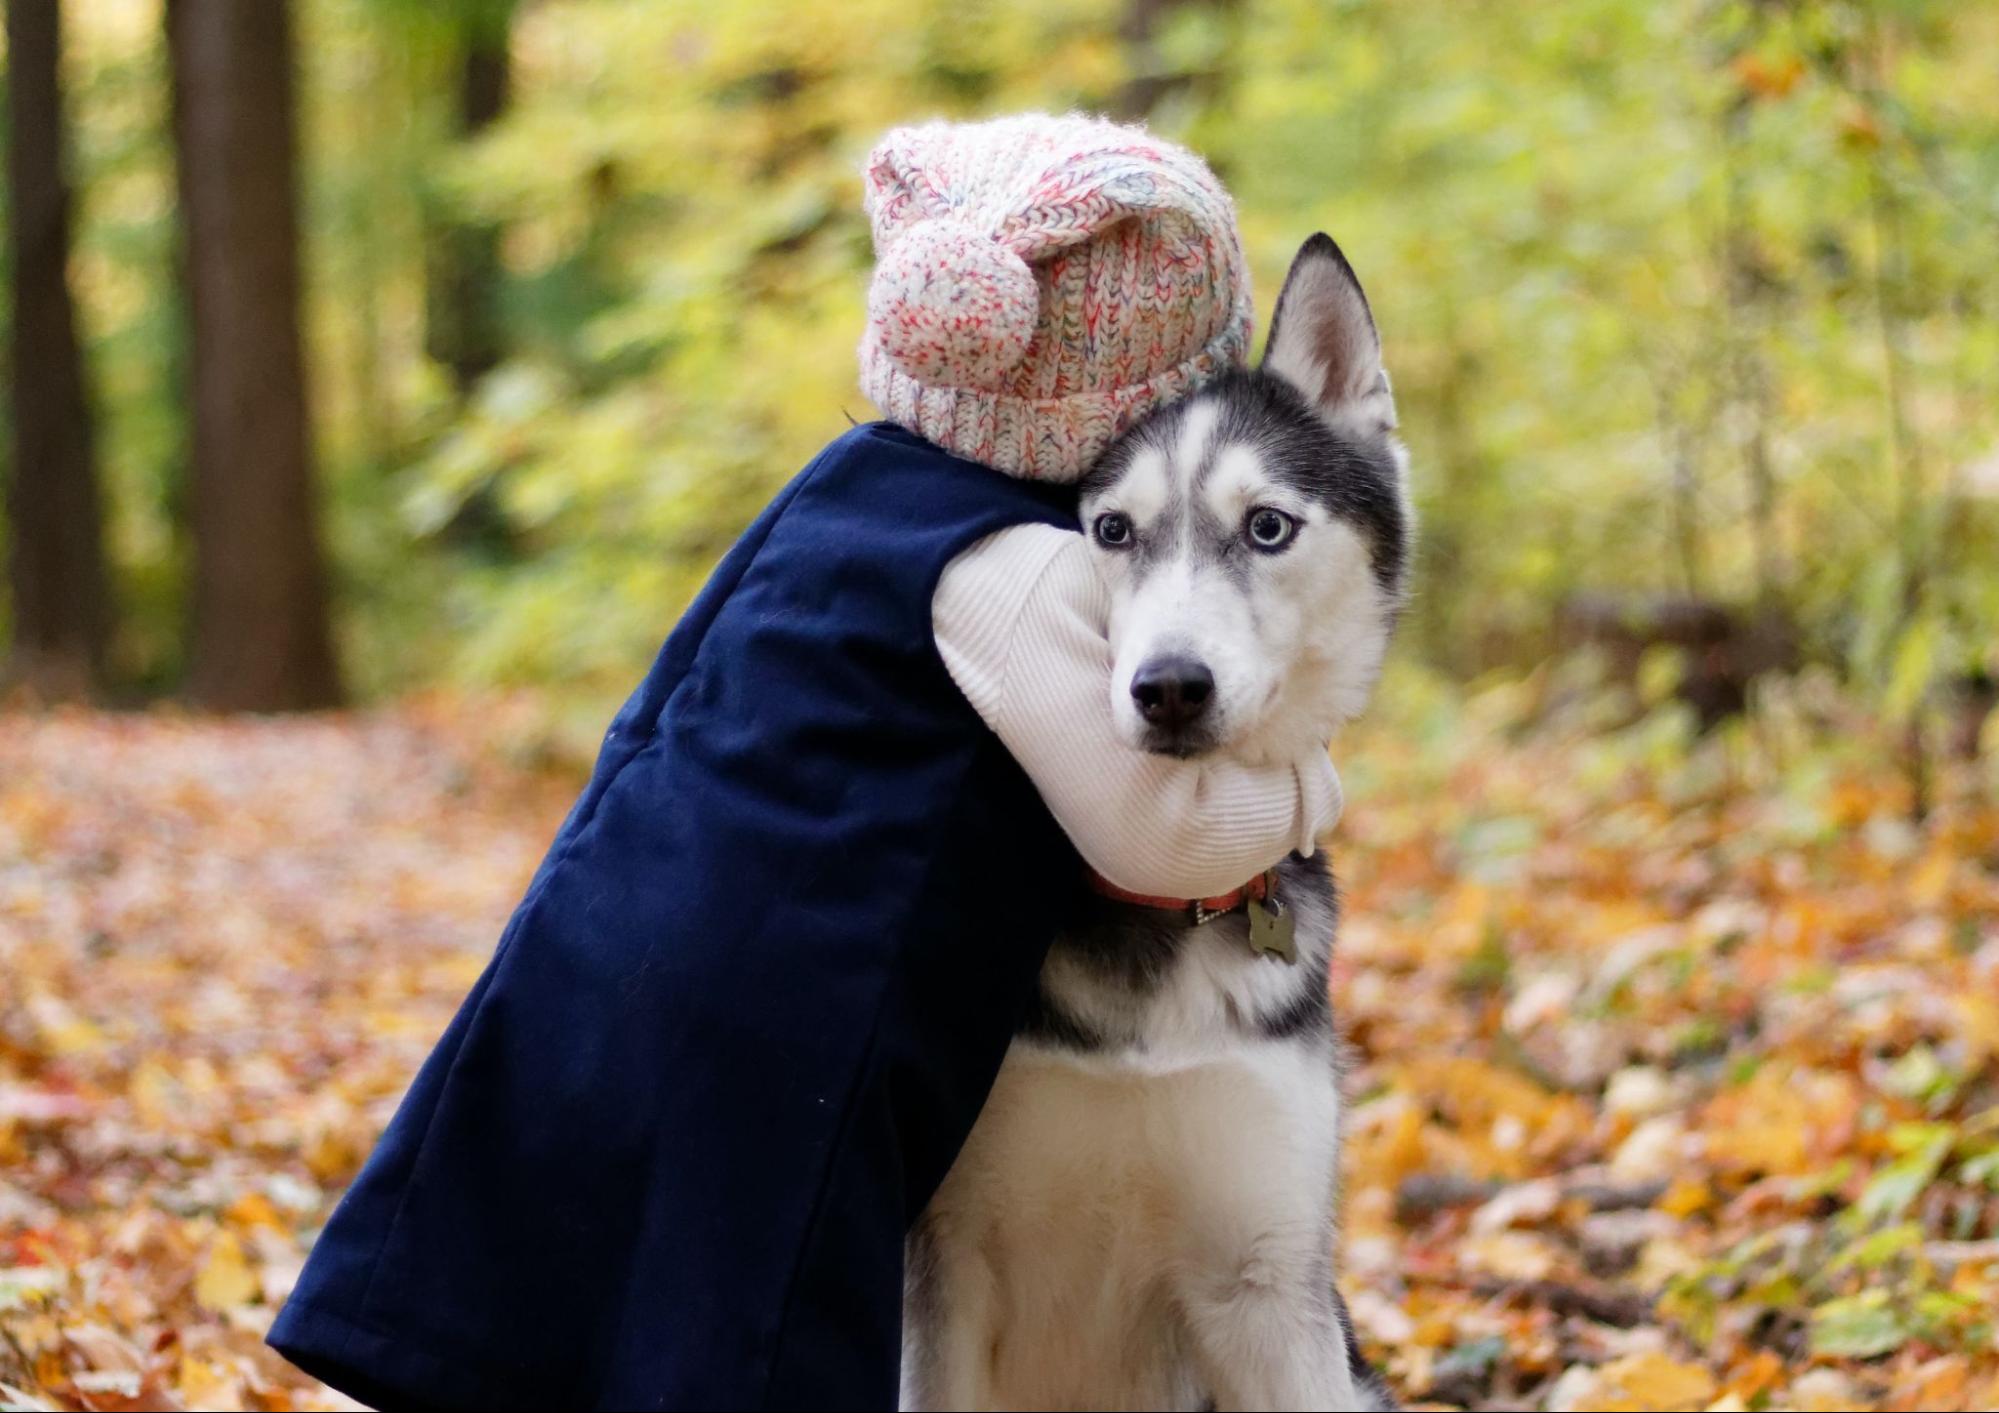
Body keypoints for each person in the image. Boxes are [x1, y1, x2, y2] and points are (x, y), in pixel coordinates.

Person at [267, 112, 1341, 1411]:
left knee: (609, 1297)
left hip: (620, 937)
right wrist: (1306, 791)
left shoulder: (839, 487)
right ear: (1152, 400)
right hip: (798, 1009)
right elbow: (1155, 832)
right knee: (755, 1332)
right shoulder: (1022, 566)